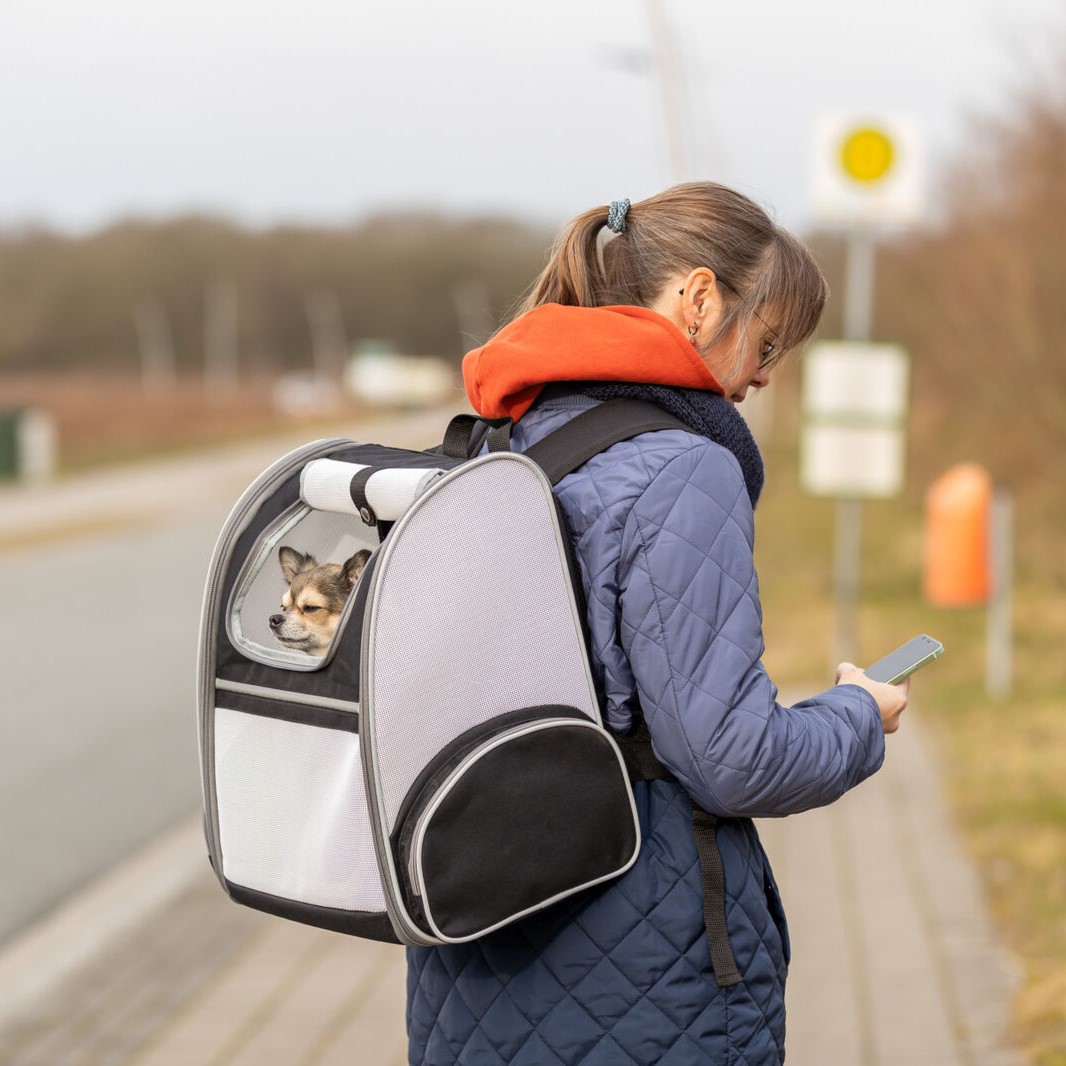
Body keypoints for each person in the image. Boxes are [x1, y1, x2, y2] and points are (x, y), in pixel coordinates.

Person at [406, 182, 908, 1065]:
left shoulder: (495, 442)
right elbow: (734, 760)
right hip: (640, 959)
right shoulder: (682, 468)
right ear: (700, 298)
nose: (764, 375)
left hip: (468, 938)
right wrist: (860, 715)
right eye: (768, 341)